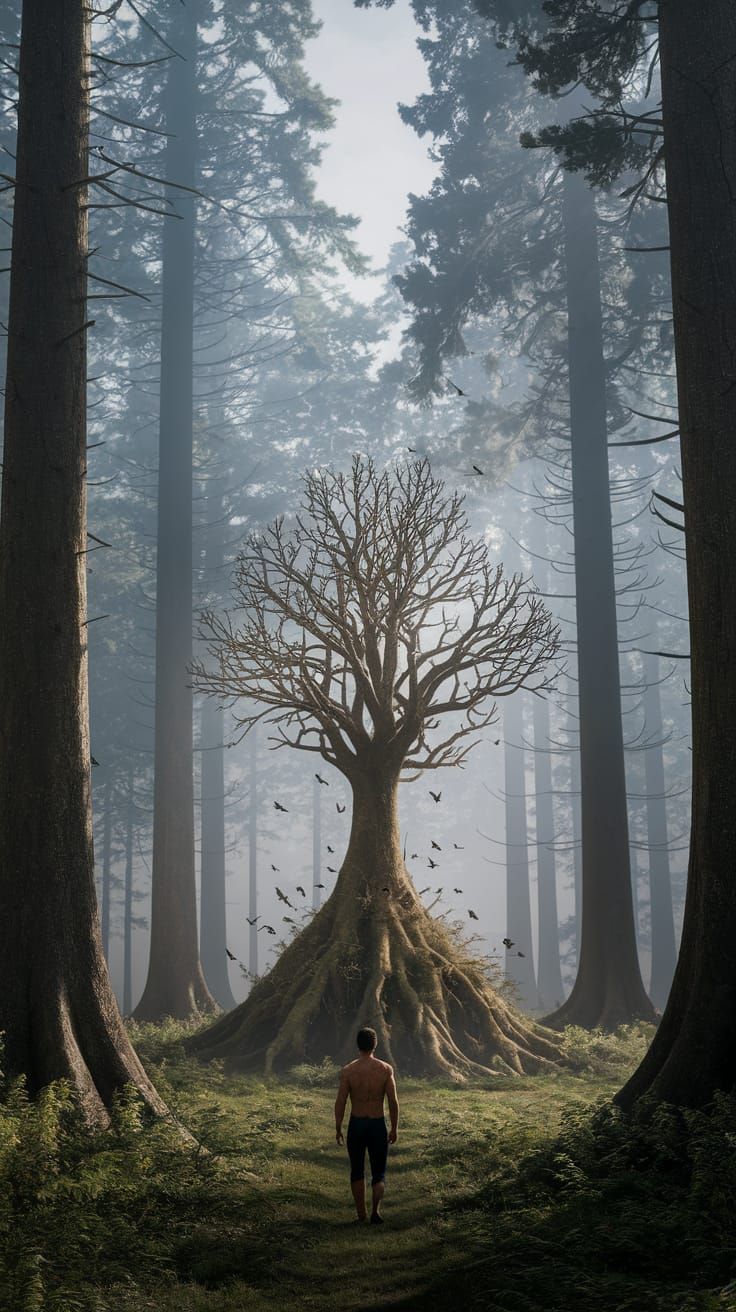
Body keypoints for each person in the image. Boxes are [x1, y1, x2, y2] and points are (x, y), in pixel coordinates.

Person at [334, 1026, 399, 1225]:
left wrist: (338, 1127)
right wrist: (394, 1127)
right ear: (375, 1044)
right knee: (379, 1171)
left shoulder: (348, 1071)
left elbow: (341, 1101)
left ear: (358, 1045)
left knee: (357, 1170)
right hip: (378, 1124)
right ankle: (375, 1211)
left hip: (357, 1123)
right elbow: (393, 1101)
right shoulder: (385, 1069)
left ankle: (361, 1215)